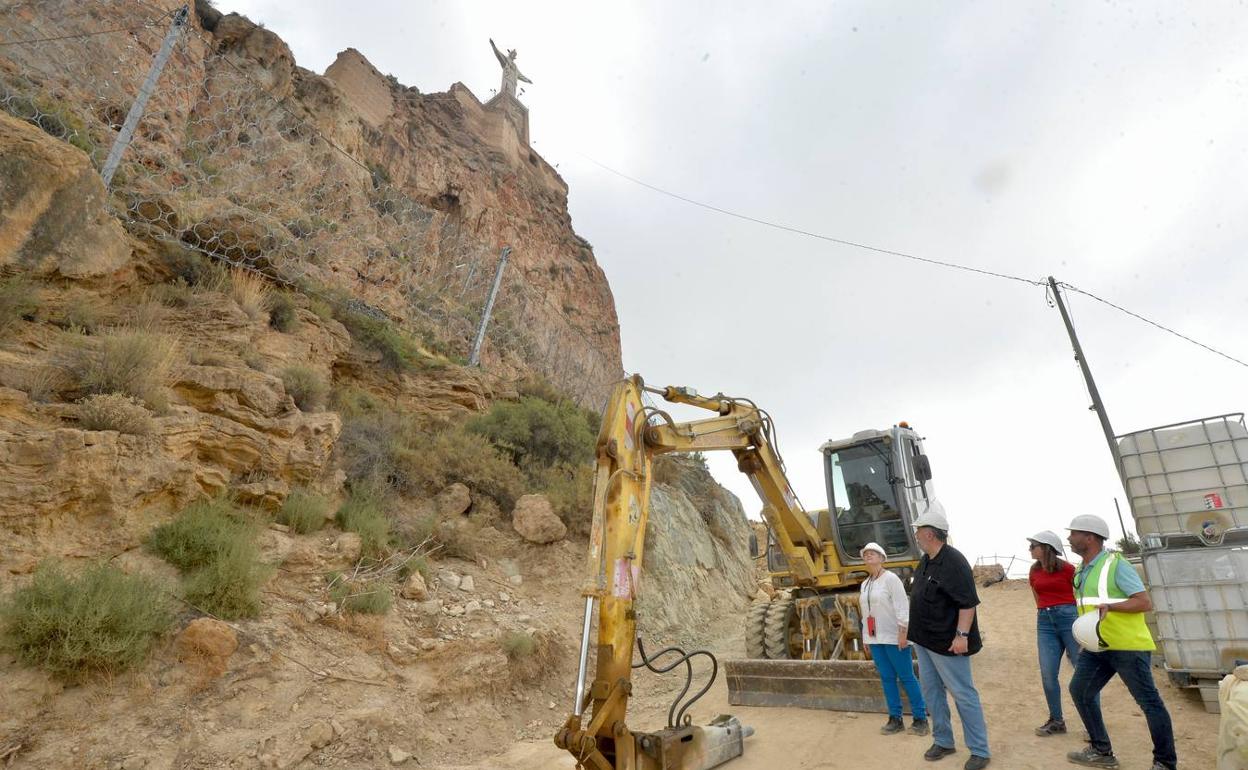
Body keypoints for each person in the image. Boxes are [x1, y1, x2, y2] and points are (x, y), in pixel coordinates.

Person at [1065, 514, 1176, 770]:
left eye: (1074, 533)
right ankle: (1101, 750)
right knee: (1080, 690)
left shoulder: (1116, 564)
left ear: (1089, 537)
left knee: (1149, 703)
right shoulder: (1082, 569)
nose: (1069, 538)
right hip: (1097, 647)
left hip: (1127, 647)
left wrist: (1112, 607)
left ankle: (1165, 762)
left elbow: (1144, 602)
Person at [908, 509, 991, 770]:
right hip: (924, 640)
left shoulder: (953, 561)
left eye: (918, 531)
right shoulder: (926, 560)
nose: (916, 535)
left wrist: (961, 636)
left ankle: (979, 750)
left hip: (947, 642)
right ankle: (943, 740)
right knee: (932, 693)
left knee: (963, 694)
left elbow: (967, 604)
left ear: (930, 533)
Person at [860, 541, 929, 736]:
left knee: (906, 676)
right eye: (866, 554)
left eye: (873, 553)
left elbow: (901, 607)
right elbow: (865, 613)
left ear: (882, 558)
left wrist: (903, 633)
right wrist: (865, 637)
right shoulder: (865, 584)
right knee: (887, 678)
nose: (868, 556)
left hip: (893, 636)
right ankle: (895, 718)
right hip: (875, 639)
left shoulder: (891, 579)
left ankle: (920, 718)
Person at [1028, 530, 1081, 737]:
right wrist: (1044, 611)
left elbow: (1080, 593)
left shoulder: (1069, 569)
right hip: (1045, 621)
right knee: (1048, 674)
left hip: (1069, 618)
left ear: (1046, 548)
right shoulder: (1034, 571)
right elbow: (1036, 595)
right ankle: (1056, 720)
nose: (1030, 549)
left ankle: (1091, 722)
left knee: (1081, 671)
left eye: (1033, 546)